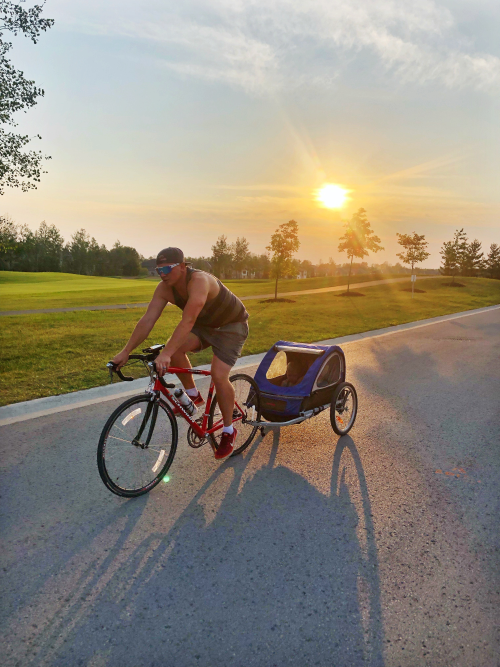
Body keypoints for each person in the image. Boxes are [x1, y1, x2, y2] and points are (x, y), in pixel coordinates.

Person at [112, 247, 249, 459]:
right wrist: (125, 351)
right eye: (158, 270)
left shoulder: (200, 281)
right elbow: (148, 319)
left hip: (231, 326)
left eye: (167, 268)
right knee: (173, 348)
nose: (163, 273)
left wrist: (166, 354)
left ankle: (229, 432)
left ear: (183, 267)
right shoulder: (164, 288)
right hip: (206, 326)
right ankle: (193, 396)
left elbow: (188, 320)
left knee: (218, 375)